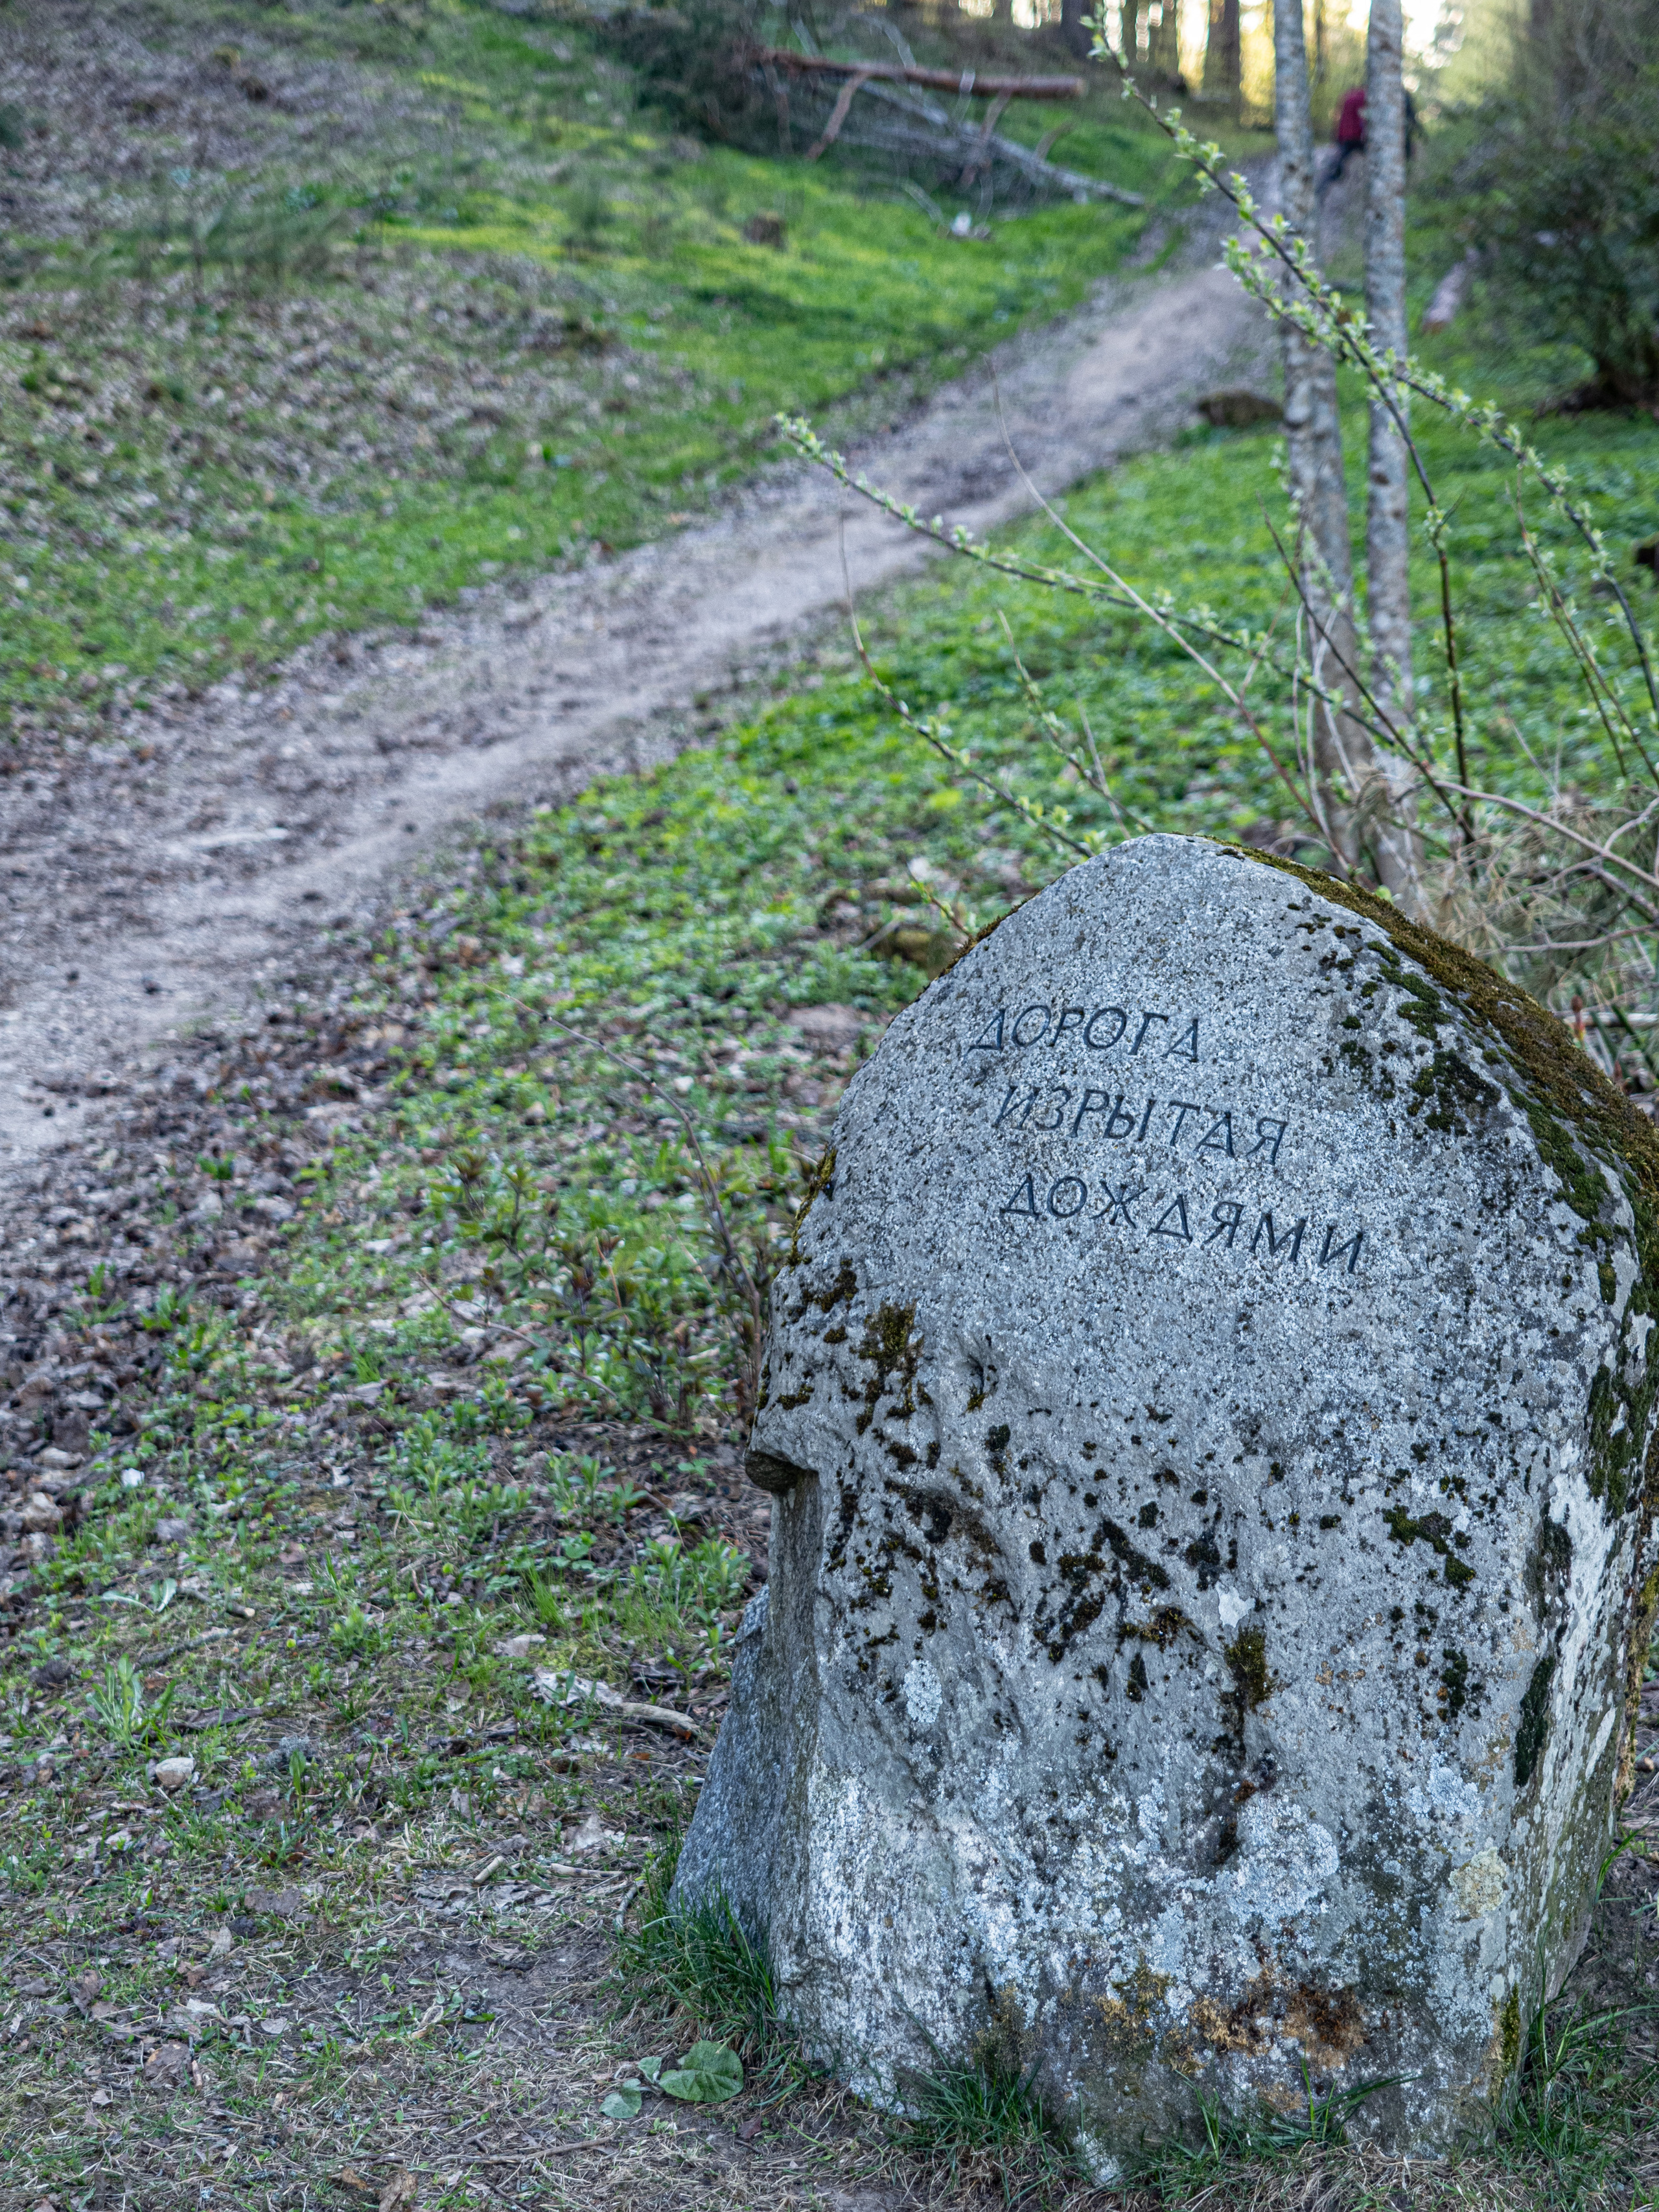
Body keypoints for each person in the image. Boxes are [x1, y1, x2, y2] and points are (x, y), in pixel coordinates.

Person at [1323, 84, 1367, 191]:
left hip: (1344, 134)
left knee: (1342, 156)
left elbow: (1338, 116)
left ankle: (1332, 176)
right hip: (1356, 135)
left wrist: (1336, 134)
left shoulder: (1346, 96)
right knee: (1371, 153)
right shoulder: (1364, 97)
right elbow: (1363, 117)